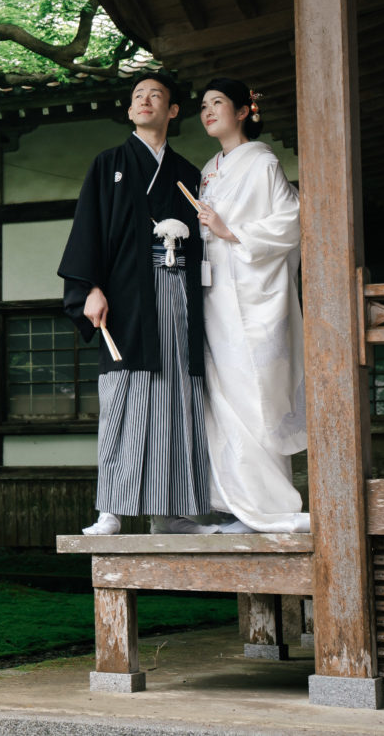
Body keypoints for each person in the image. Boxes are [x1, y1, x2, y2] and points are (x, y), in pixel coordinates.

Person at [60, 73, 212, 536]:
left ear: (172, 112)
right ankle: (111, 509)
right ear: (130, 112)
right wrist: (89, 287)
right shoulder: (109, 164)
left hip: (179, 291)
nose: (145, 102)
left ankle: (174, 513)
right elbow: (89, 229)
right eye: (138, 97)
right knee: (125, 396)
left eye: (157, 96)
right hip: (126, 293)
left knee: (180, 397)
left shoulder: (190, 174)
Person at [188, 78, 309, 534]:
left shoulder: (262, 162)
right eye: (203, 105)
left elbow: (291, 220)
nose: (208, 111)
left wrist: (229, 231)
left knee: (255, 394)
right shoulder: (209, 168)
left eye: (217, 103)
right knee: (220, 397)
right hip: (215, 294)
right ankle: (237, 504)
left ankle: (272, 505)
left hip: (252, 293)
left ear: (244, 111)